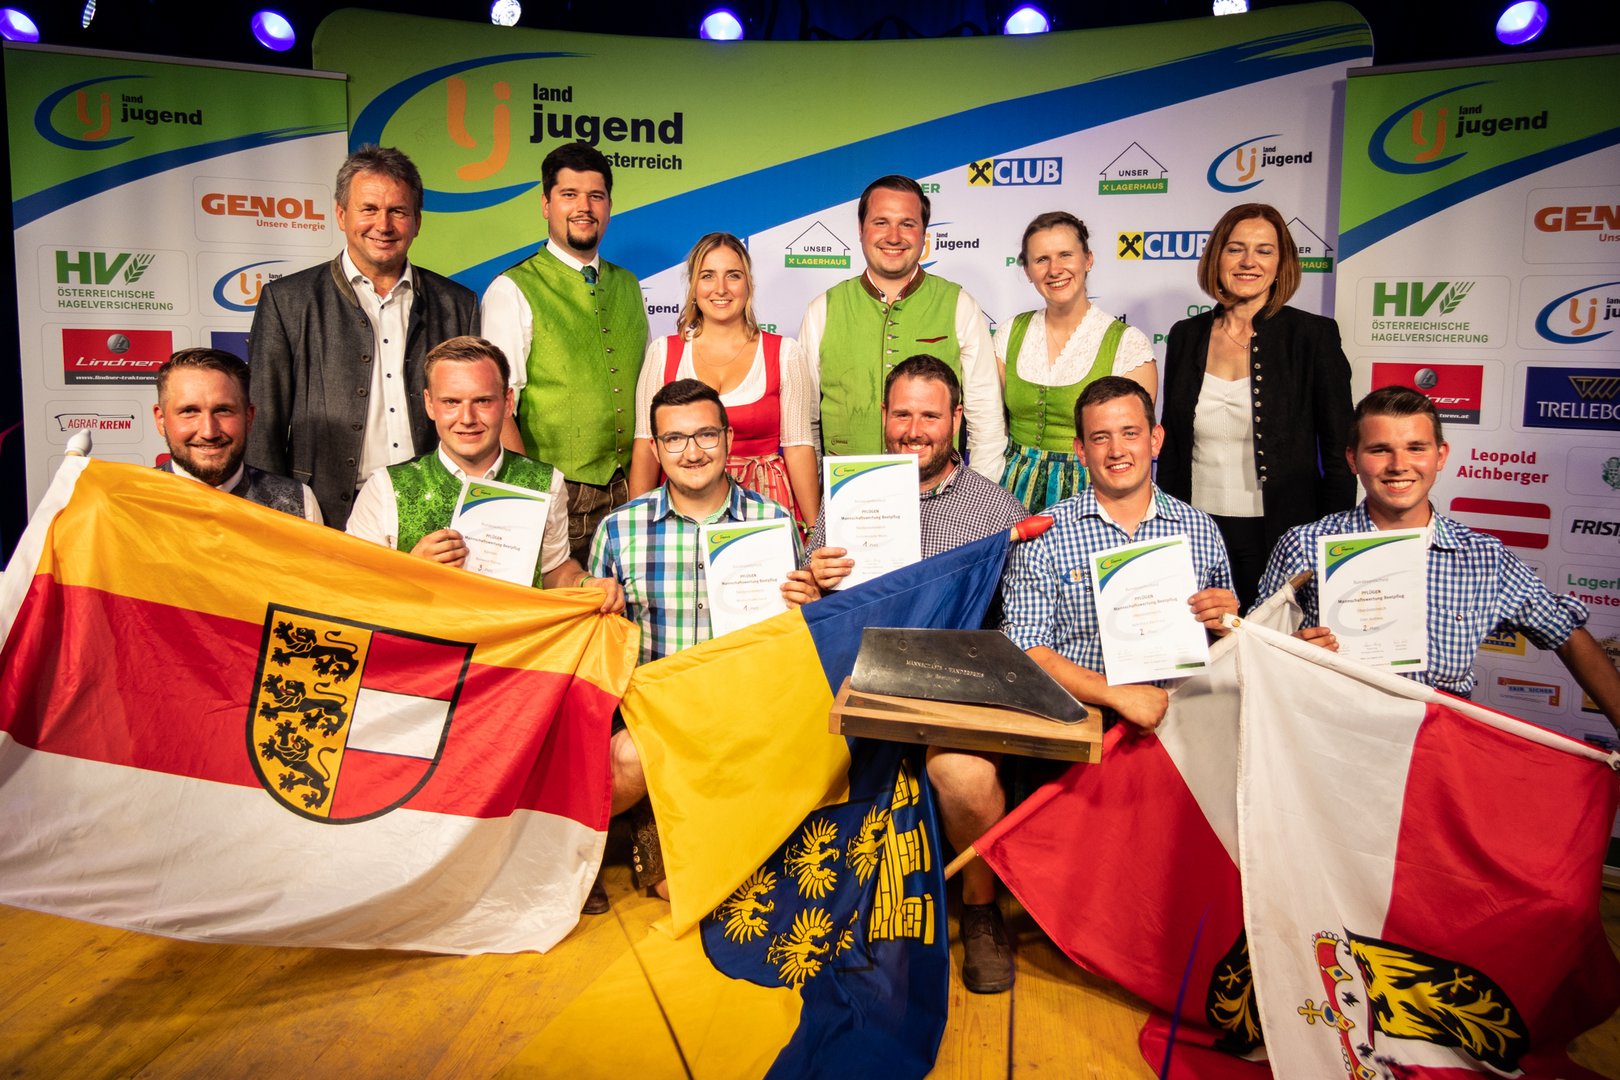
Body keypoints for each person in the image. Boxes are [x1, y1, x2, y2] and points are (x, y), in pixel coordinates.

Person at [945, 376, 1238, 994]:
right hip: (1077, 725)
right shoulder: (1047, 532)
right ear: (1079, 450)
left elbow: (1222, 647)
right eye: (1100, 438)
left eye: (1130, 433)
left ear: (1156, 439)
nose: (1117, 450)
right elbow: (1026, 645)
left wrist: (1225, 619)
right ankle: (994, 909)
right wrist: (1114, 694)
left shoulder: (1200, 530)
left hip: (1176, 725)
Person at [1252, 386, 1620, 728]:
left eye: (1416, 448)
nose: (1399, 465)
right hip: (1331, 738)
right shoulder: (1304, 544)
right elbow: (1252, 648)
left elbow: (1566, 632)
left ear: (1440, 456)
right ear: (1353, 459)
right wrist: (1290, 654)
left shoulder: (1483, 558)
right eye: (1379, 450)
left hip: (1438, 748)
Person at [590, 378, 819, 905]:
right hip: (657, 722)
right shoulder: (619, 531)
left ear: (729, 439)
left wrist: (809, 607)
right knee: (679, 884)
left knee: (744, 886)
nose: (692, 452)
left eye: (706, 435)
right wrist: (590, 594)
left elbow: (798, 641)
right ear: (656, 448)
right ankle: (605, 833)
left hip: (746, 717)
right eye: (674, 439)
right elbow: (595, 643)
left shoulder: (774, 522)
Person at [247, 145, 479, 528]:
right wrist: (274, 518)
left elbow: (475, 418)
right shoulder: (287, 301)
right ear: (341, 214)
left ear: (417, 221)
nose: (383, 225)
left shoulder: (457, 304)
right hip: (323, 512)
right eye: (368, 209)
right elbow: (263, 424)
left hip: (436, 508)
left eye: (398, 211)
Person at [1157, 202, 1354, 608]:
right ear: (1217, 258)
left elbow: (1340, 455)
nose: (1249, 262)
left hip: (1281, 536)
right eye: (1236, 249)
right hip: (1195, 532)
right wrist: (1163, 532)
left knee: (1270, 643)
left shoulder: (1312, 336)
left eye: (1264, 250)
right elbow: (1172, 447)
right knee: (1201, 643)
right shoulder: (1185, 335)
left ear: (1281, 264)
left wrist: (1331, 544)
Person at [345, 336, 621, 613]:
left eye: (483, 401)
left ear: (508, 402)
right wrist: (410, 569)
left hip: (511, 638)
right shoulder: (384, 489)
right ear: (429, 404)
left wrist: (585, 582)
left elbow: (551, 570)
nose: (467, 418)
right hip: (421, 639)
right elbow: (352, 591)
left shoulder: (547, 482)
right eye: (451, 402)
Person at [482, 141, 649, 566]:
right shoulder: (512, 289)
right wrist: (532, 499)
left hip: (632, 491)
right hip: (557, 494)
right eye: (569, 194)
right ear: (546, 204)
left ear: (609, 206)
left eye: (596, 196)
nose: (584, 208)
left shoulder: (629, 285)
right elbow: (499, 408)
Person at [798, 174, 1006, 480]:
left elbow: (986, 419)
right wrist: (817, 499)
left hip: (938, 493)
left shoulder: (960, 305)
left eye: (907, 224)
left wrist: (978, 497)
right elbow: (804, 425)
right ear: (861, 230)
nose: (893, 237)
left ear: (924, 234)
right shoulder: (822, 310)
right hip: (847, 491)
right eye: (881, 222)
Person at [628, 232, 818, 530]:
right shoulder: (663, 353)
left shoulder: (784, 353)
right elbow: (645, 447)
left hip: (765, 504)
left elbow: (798, 448)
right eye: (708, 276)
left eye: (733, 275)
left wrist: (815, 530)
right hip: (685, 504)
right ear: (693, 286)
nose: (721, 288)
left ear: (748, 285)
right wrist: (636, 528)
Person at [803, 356, 1027, 592]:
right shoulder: (846, 494)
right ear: (884, 414)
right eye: (902, 415)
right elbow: (809, 589)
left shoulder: (1000, 514)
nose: (914, 432)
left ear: (956, 418)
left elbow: (1017, 607)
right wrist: (813, 585)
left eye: (930, 416)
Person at [998, 211, 1157, 512]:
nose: (1054, 269)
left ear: (1088, 259)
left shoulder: (1127, 344)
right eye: (1041, 259)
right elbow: (991, 427)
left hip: (1093, 494)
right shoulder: (1009, 334)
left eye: (1065, 255)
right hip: (1010, 490)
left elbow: (1133, 445)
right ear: (1028, 270)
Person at [153, 348, 320, 522]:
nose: (209, 432)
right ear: (161, 420)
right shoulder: (133, 500)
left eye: (223, 410)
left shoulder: (298, 503)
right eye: (189, 411)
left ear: (249, 418)